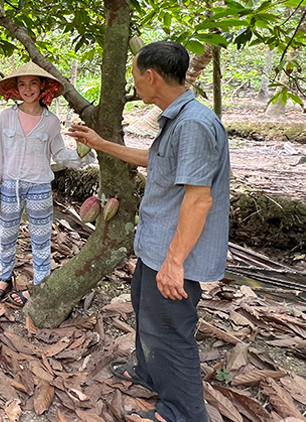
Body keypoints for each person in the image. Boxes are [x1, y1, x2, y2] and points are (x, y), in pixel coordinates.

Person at [69, 41, 230, 422]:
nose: (134, 81)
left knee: (171, 332)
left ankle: (184, 411)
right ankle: (148, 372)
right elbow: (155, 161)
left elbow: (198, 199)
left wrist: (174, 263)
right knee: (146, 313)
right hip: (155, 249)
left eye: (135, 73)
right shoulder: (178, 120)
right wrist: (100, 144)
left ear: (151, 76)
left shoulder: (193, 125)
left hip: (174, 255)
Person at [0, 61, 96, 308]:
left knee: (41, 238)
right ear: (15, 88)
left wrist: (84, 152)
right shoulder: (6, 117)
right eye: (22, 84)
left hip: (39, 188)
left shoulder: (51, 122)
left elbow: (60, 155)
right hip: (9, 187)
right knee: (6, 235)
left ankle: (39, 285)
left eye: (33, 83)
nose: (28, 89)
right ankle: (5, 278)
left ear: (43, 86)